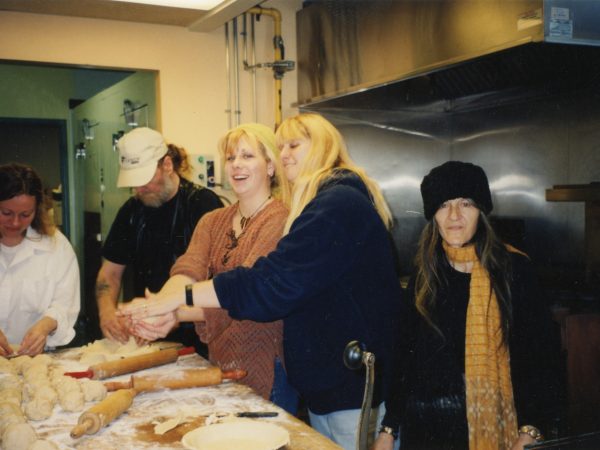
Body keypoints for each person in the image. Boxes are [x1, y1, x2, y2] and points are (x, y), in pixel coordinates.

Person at [120, 113, 403, 450]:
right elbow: (191, 267)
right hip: (328, 386)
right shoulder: (321, 203)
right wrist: (164, 305)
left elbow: (266, 286)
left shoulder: (332, 206)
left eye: (293, 145)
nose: (284, 154)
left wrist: (179, 303)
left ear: (323, 147)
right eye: (280, 145)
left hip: (347, 387)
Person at [373, 161, 561, 450]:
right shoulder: (426, 272)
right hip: (425, 432)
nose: (454, 216)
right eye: (444, 205)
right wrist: (389, 428)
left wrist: (532, 429)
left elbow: (540, 358)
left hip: (492, 433)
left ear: (481, 211)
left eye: (466, 204)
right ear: (432, 214)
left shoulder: (513, 270)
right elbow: (405, 357)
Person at [129, 123, 298, 413]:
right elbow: (186, 270)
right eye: (231, 157)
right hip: (221, 357)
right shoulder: (212, 220)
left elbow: (240, 294)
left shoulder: (281, 220)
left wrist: (174, 311)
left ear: (270, 166)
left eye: (247, 156)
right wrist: (159, 307)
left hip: (268, 363)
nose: (236, 165)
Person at [96, 127, 223, 350]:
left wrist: (172, 314)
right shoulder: (131, 211)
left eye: (144, 180)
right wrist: (107, 312)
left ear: (167, 165)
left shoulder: (202, 204)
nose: (139, 189)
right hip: (148, 333)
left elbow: (218, 281)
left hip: (198, 335)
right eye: (133, 183)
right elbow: (109, 274)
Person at [0, 163, 80, 356]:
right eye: (6, 213)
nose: (16, 222)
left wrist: (46, 325)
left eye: (25, 214)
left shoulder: (56, 246)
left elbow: (65, 304)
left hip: (36, 357)